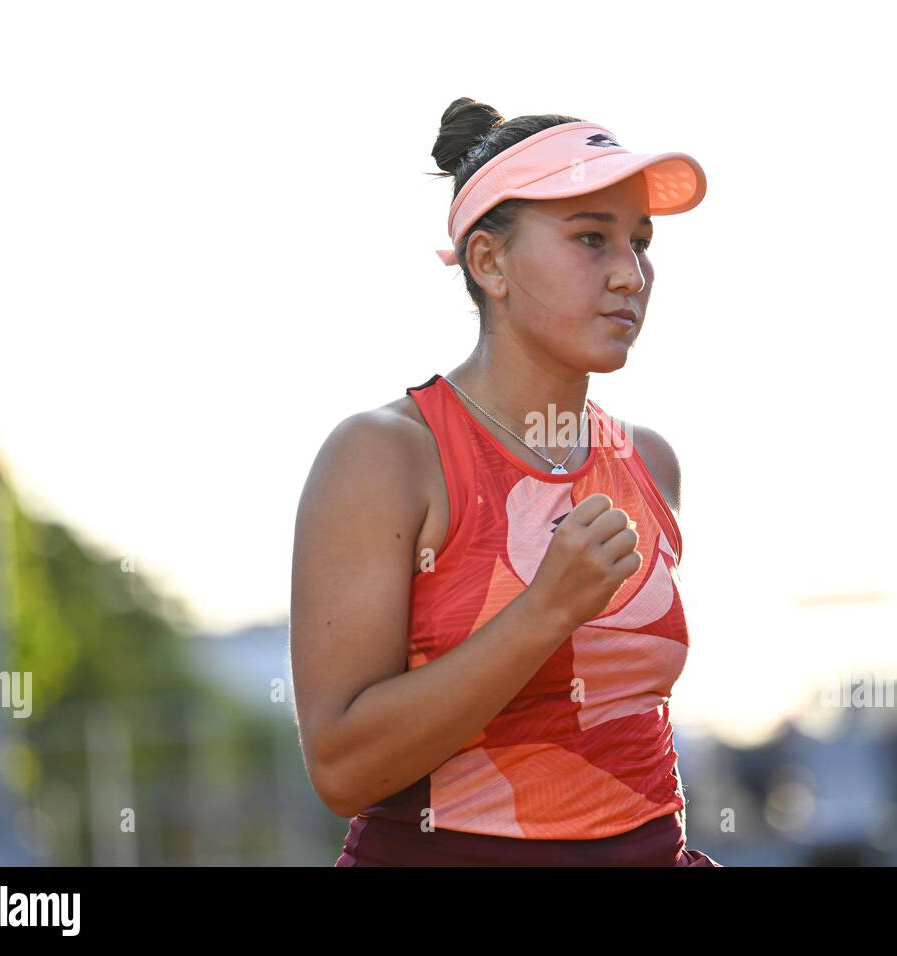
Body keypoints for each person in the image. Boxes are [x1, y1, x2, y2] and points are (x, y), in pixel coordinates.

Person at [290, 98, 719, 866]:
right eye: (591, 238)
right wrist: (544, 610)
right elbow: (340, 768)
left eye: (641, 241)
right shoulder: (385, 457)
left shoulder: (649, 462)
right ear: (489, 263)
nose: (631, 273)